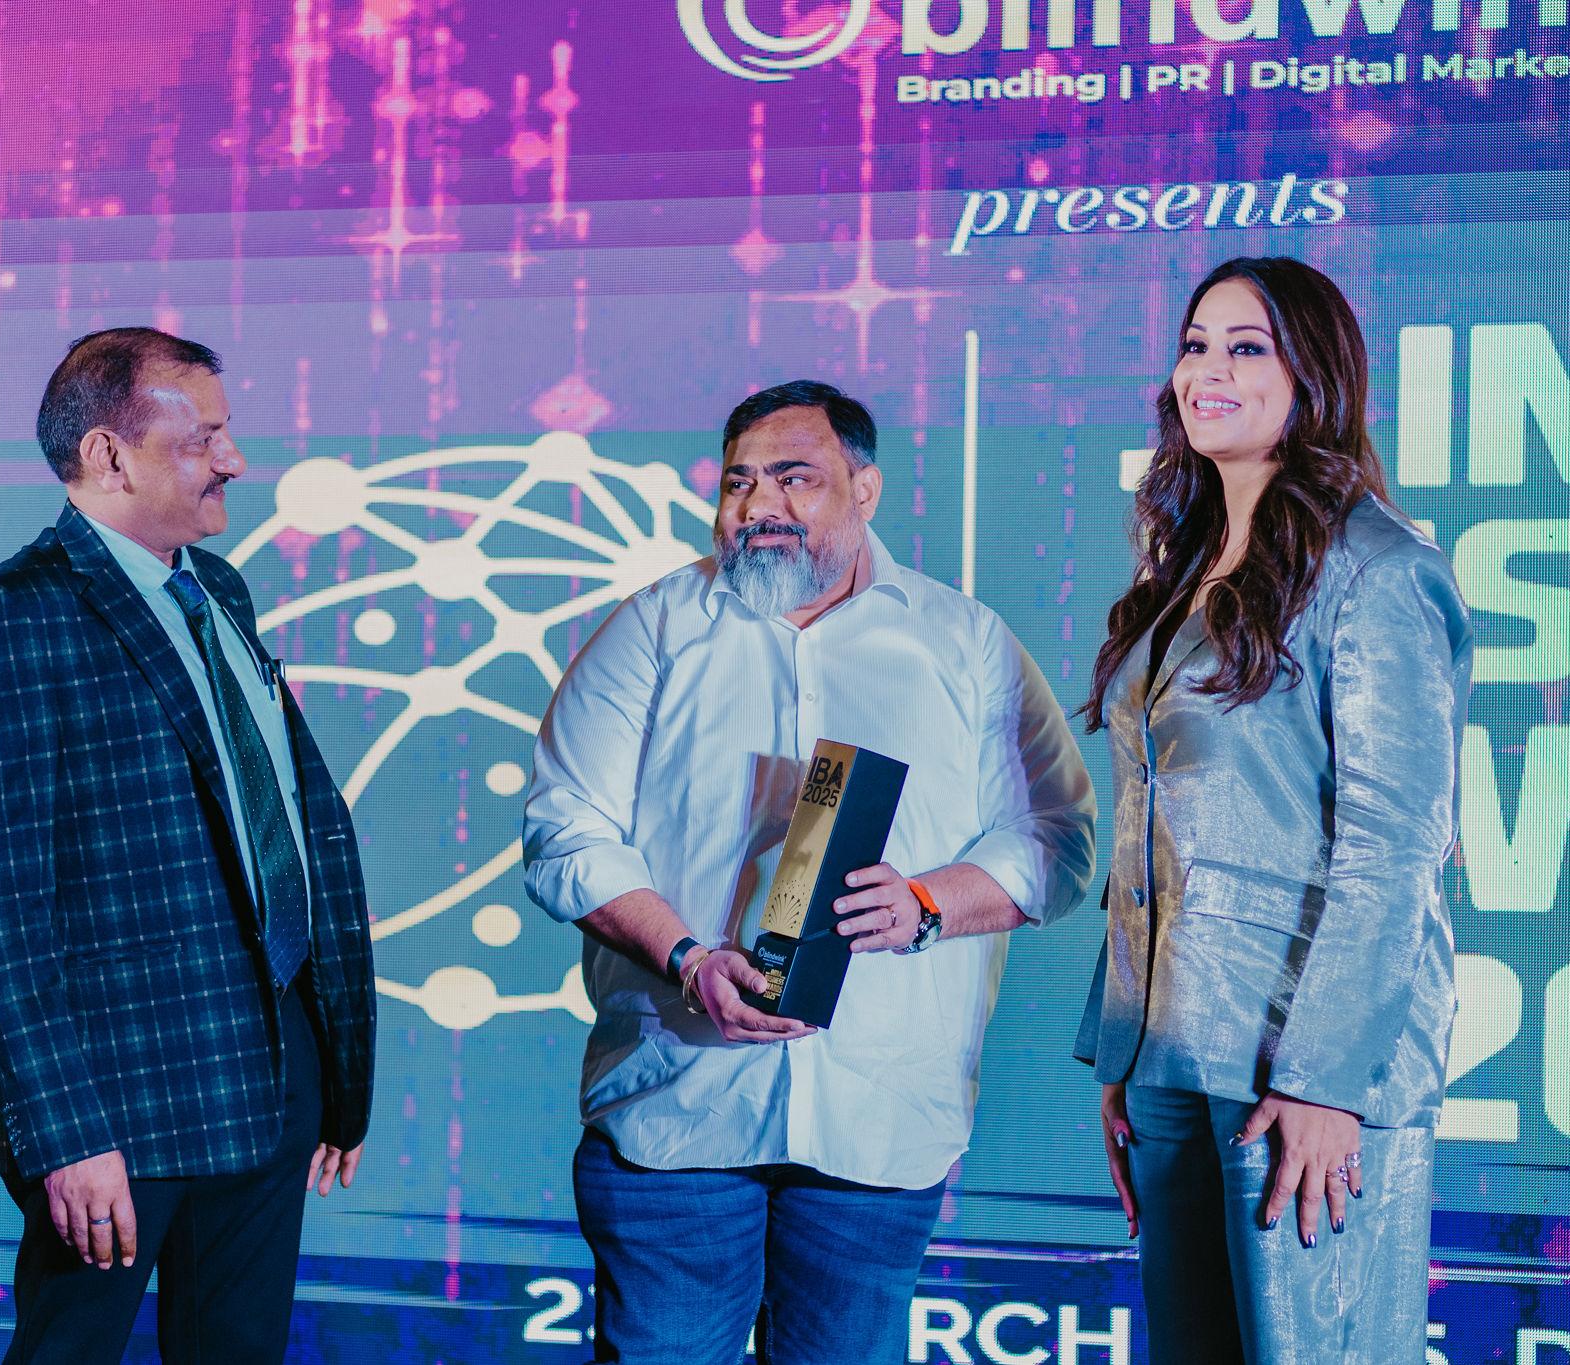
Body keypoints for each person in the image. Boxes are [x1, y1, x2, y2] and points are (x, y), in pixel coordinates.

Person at [523, 379, 1097, 1365]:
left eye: (794, 478)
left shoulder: (962, 642)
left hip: (877, 1121)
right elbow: (562, 831)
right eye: (738, 482)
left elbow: (1058, 837)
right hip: (679, 1108)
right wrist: (685, 955)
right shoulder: (653, 628)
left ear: (865, 489)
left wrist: (926, 904)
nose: (759, 506)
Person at [0, 328, 378, 1364]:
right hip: (117, 1099)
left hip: (275, 1072)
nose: (234, 460)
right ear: (109, 456)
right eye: (204, 437)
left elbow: (285, 817)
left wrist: (333, 1064)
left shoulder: (218, 589)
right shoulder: (7, 615)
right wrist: (67, 1129)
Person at [1073, 258, 1473, 1364]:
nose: (1207, 370)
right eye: (1194, 344)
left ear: (1314, 376)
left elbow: (1395, 849)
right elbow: (1154, 823)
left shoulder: (1378, 569)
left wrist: (1325, 1081)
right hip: (1169, 1049)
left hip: (1297, 1063)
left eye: (1246, 347)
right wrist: (1121, 1045)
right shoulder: (1184, 564)